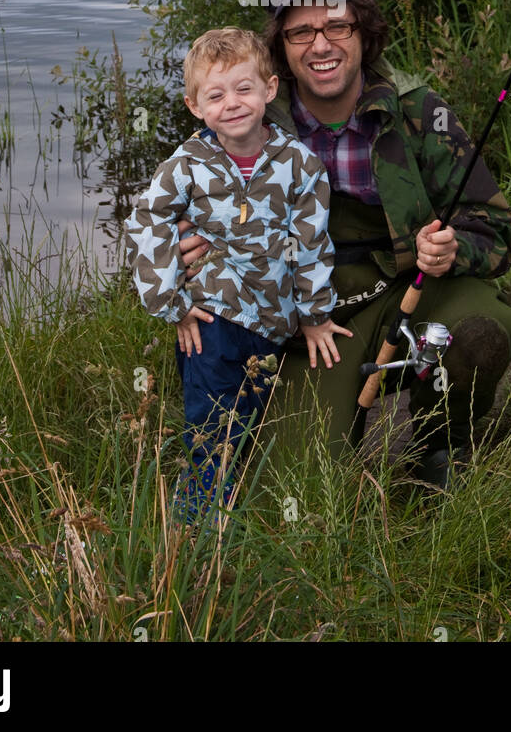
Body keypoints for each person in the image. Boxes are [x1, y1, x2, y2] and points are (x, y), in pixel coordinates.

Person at [177, 0, 511, 491]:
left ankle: (440, 447)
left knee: (475, 334)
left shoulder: (419, 112)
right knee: (298, 489)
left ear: (364, 29)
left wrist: (454, 248)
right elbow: (174, 218)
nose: (321, 46)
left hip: (409, 288)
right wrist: (184, 255)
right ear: (280, 48)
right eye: (300, 32)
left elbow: (496, 229)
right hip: (312, 314)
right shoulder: (247, 115)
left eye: (337, 25)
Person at [125, 26, 351, 518]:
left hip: (274, 321)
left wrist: (315, 315)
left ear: (269, 89)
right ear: (194, 106)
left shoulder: (299, 164)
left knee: (253, 418)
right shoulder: (185, 166)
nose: (232, 103)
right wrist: (174, 305)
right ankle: (203, 518)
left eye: (244, 88)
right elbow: (146, 221)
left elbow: (312, 244)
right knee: (211, 420)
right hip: (212, 320)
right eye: (216, 94)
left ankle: (244, 495)